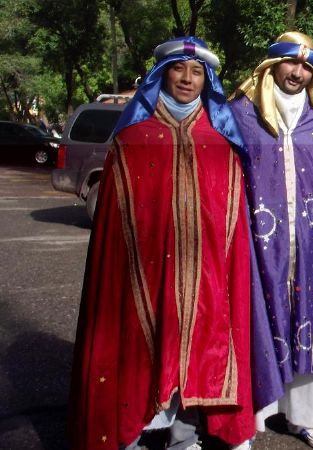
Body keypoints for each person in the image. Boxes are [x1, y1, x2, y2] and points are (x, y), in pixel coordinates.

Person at [67, 36, 254, 450]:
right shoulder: (134, 136)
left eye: (197, 72)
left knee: (200, 347)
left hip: (205, 274)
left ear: (208, 80)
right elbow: (116, 224)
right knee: (139, 347)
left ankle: (185, 437)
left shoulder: (222, 138)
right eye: (178, 69)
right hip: (143, 271)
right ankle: (130, 432)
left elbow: (232, 221)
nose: (187, 79)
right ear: (160, 74)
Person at [229, 31, 313, 449]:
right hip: (259, 241)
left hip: (310, 243)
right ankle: (252, 415)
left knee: (311, 321)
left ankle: (307, 416)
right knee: (258, 315)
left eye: (308, 67)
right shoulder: (241, 115)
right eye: (292, 63)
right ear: (271, 65)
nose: (298, 72)